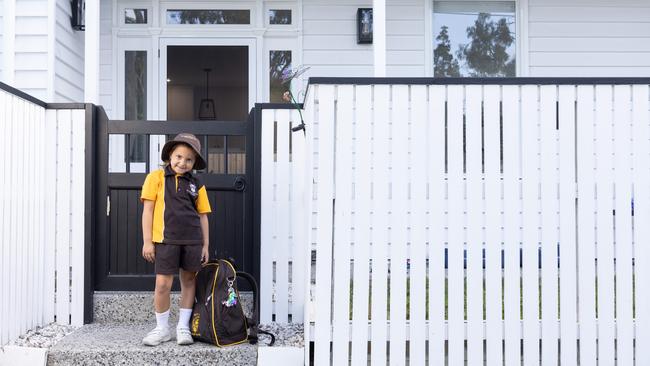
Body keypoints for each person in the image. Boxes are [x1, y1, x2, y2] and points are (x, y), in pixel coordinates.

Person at [140, 133, 211, 346]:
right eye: (179, 156)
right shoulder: (156, 178)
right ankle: (162, 329)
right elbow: (148, 210)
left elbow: (203, 215)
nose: (182, 162)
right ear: (170, 155)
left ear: (194, 162)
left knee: (189, 281)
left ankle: (183, 327)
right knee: (162, 284)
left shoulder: (196, 183)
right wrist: (147, 241)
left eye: (189, 159)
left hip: (192, 241)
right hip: (164, 240)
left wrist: (205, 245)